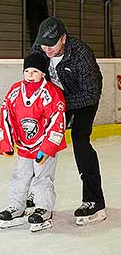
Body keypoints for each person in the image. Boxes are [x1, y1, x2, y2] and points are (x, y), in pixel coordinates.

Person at [30, 16, 106, 226]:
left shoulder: (81, 54)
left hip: (83, 100)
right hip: (55, 100)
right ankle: (36, 194)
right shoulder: (40, 49)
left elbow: (91, 93)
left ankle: (94, 201)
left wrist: (59, 102)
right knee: (40, 137)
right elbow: (31, 75)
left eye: (51, 45)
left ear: (63, 38)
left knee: (80, 140)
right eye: (43, 45)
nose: (47, 50)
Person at [0, 52, 66, 232]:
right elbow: (6, 115)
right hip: (23, 146)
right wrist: (6, 143)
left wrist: (47, 148)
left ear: (44, 73)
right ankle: (16, 206)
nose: (30, 74)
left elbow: (57, 122)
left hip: (43, 146)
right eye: (27, 70)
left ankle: (43, 208)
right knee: (20, 176)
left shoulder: (52, 94)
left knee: (43, 177)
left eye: (35, 71)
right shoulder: (14, 90)